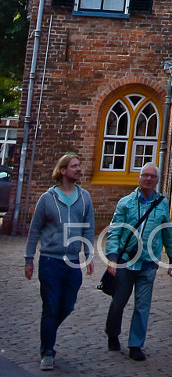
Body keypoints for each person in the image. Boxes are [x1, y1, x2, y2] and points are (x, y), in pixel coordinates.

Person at [23, 152, 96, 371]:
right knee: (50, 307)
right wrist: (29, 259)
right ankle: (47, 351)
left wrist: (88, 254)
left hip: (72, 262)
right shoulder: (47, 199)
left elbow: (88, 228)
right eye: (74, 166)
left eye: (78, 165)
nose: (78, 169)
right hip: (50, 261)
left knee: (67, 305)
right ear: (62, 171)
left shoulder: (85, 198)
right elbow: (34, 230)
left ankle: (48, 331)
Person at [104, 164, 172, 361]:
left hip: (148, 263)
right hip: (126, 262)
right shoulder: (125, 203)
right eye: (145, 175)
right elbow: (114, 232)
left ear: (156, 180)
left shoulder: (162, 204)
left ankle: (136, 345)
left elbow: (167, 231)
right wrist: (112, 258)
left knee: (142, 306)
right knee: (118, 302)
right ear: (139, 178)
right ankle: (112, 333)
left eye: (152, 176)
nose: (148, 179)